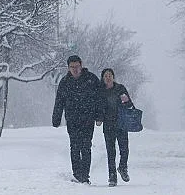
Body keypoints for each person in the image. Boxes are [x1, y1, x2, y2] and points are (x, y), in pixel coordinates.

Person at [52, 55, 101, 183]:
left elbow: (99, 98)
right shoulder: (65, 82)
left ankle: (85, 175)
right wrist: (56, 118)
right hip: (72, 119)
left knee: (86, 146)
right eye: (72, 67)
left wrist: (99, 116)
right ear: (68, 68)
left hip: (87, 118)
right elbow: (59, 101)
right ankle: (77, 173)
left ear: (81, 65)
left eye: (77, 67)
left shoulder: (91, 79)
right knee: (74, 146)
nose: (75, 69)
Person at [97, 68, 133, 187]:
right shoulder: (100, 91)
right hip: (108, 124)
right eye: (106, 76)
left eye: (110, 75)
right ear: (103, 78)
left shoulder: (120, 88)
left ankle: (123, 167)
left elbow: (130, 105)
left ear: (113, 77)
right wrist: (99, 118)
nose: (108, 77)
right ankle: (112, 177)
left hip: (121, 123)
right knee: (110, 151)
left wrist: (126, 101)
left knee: (124, 149)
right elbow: (98, 107)